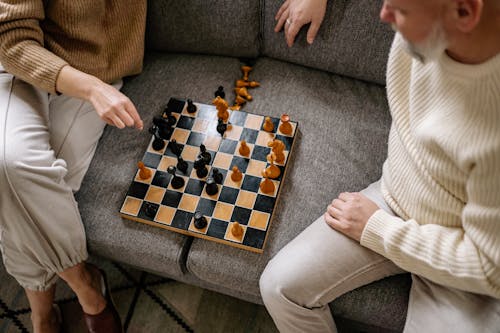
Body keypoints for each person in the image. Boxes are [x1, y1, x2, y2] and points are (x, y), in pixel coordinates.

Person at [260, 0, 500, 332]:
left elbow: (490, 268)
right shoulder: (430, 21)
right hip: (393, 199)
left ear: (464, 12)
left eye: (399, 9)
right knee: (278, 285)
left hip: (461, 261)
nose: (384, 15)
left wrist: (377, 229)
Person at [0, 1, 147, 332]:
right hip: (17, 64)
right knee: (7, 162)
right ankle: (86, 286)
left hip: (92, 68)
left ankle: (42, 315)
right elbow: (11, 40)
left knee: (27, 187)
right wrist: (93, 90)